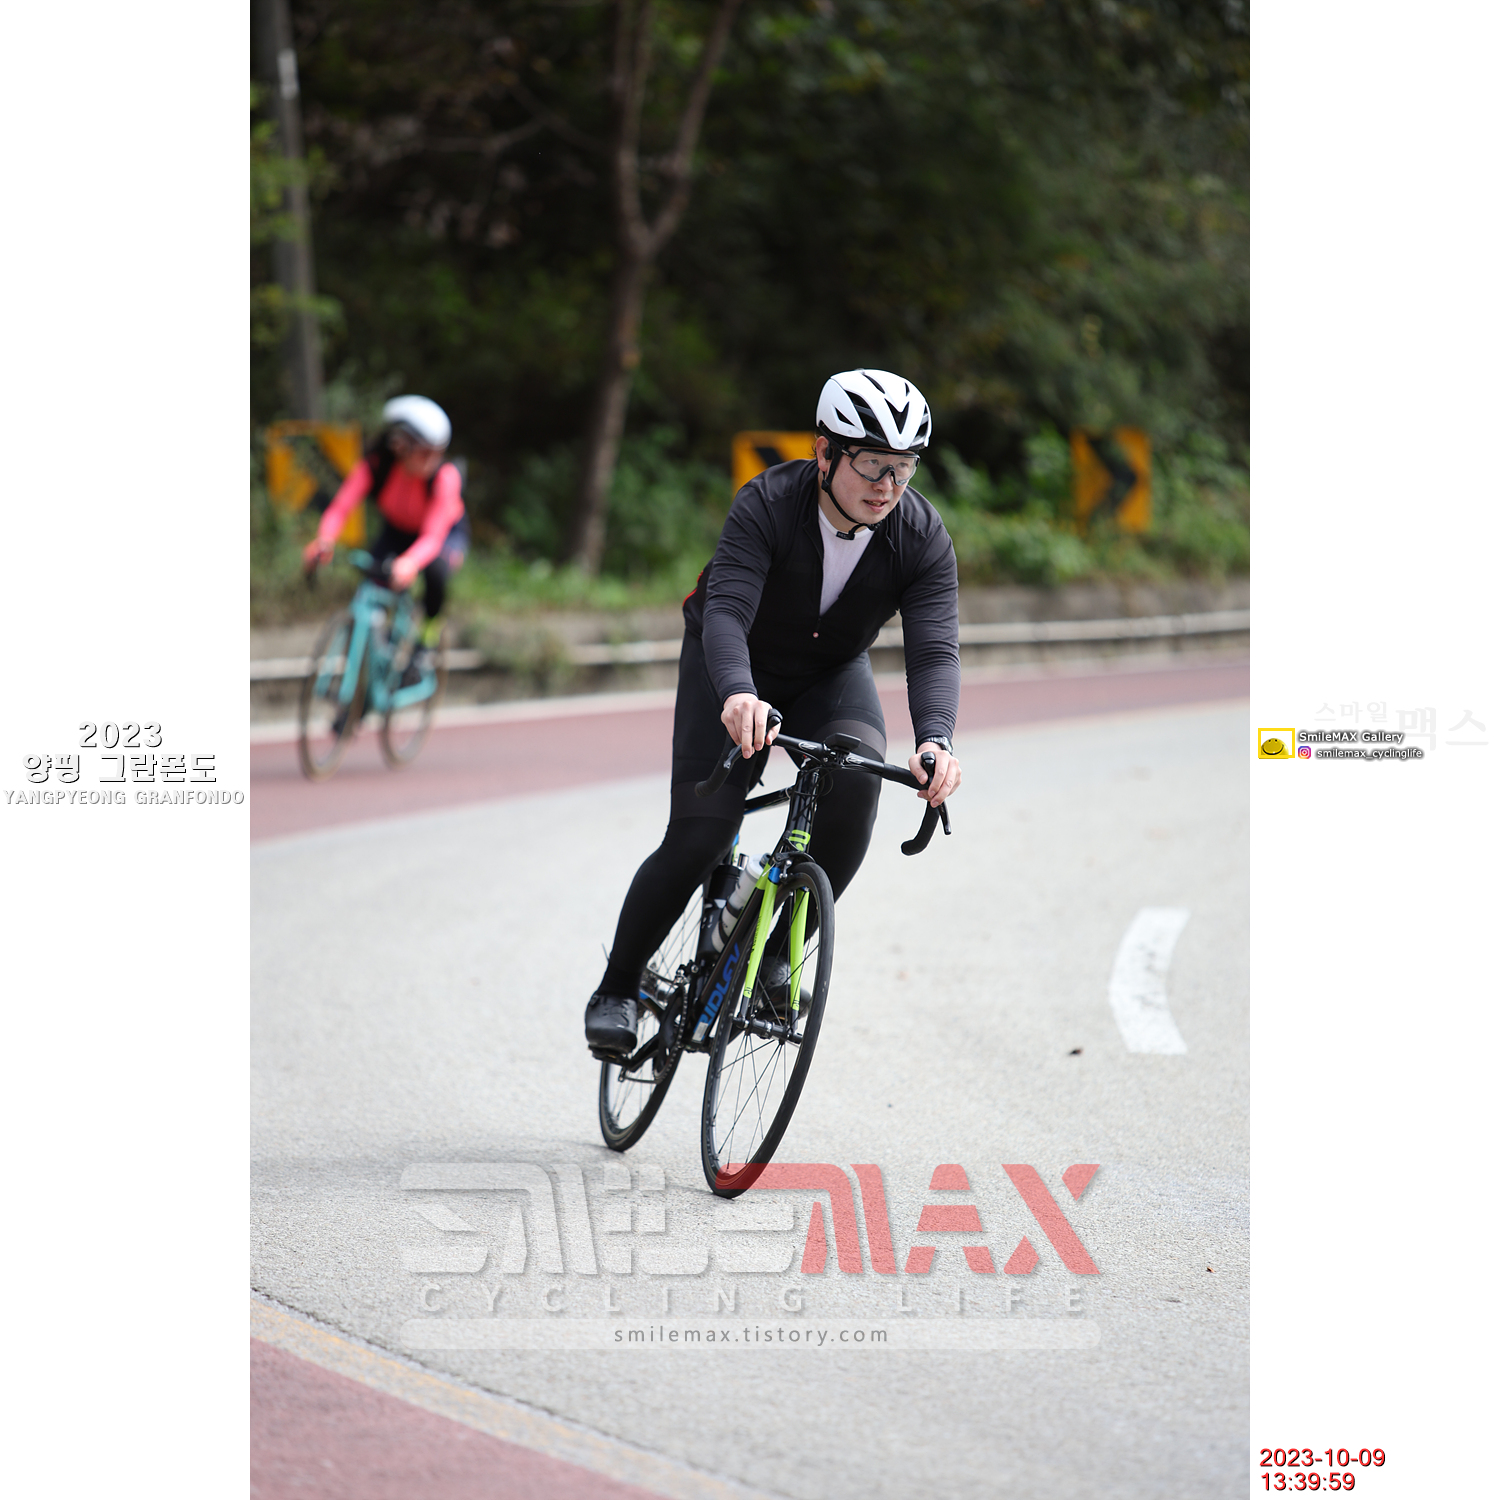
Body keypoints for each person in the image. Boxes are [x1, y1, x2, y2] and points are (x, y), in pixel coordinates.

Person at [584, 369, 963, 1058]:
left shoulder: (920, 535)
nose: (887, 486)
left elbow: (934, 650)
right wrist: (737, 692)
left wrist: (936, 739)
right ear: (825, 453)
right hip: (732, 666)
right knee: (700, 836)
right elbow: (726, 612)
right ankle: (617, 989)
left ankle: (776, 955)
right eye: (872, 465)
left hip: (828, 674)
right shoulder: (768, 502)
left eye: (903, 468)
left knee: (857, 785)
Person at [302, 395, 469, 678]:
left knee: (436, 572)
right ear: (400, 445)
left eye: (438, 453)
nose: (432, 461)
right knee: (375, 582)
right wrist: (324, 539)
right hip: (396, 530)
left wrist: (411, 563)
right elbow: (341, 507)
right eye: (425, 453)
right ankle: (375, 659)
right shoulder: (377, 466)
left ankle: (426, 641)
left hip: (443, 534)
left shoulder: (445, 477)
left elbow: (433, 536)